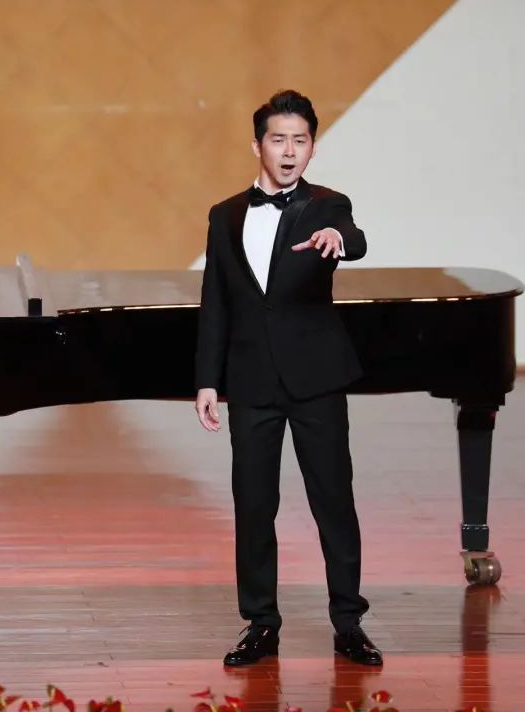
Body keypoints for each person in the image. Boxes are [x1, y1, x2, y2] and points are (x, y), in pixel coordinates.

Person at [194, 90, 381, 666]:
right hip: (251, 380)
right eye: (279, 140)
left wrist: (340, 241)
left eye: (300, 141)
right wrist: (207, 380)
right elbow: (215, 301)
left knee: (333, 499)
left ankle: (348, 622)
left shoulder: (328, 205)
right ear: (258, 146)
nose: (290, 151)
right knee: (254, 505)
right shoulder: (225, 214)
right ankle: (260, 624)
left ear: (313, 148)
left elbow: (354, 237)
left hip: (316, 378)